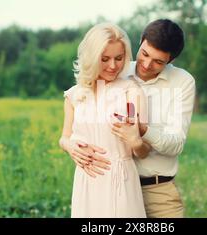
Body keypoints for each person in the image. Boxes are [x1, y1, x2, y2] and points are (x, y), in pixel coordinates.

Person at [78, 19, 196, 218]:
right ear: (140, 41)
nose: (147, 64)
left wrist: (141, 129)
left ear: (171, 60)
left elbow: (176, 144)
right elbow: (82, 121)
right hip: (109, 188)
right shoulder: (116, 69)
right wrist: (70, 145)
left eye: (158, 62)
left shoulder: (182, 82)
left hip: (157, 193)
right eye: (145, 54)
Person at [59, 22, 151, 218]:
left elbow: (143, 152)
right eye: (105, 58)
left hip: (121, 181)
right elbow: (64, 138)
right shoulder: (74, 95)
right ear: (91, 58)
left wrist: (135, 142)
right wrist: (70, 147)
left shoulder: (131, 91)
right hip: (86, 181)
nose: (113, 66)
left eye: (119, 58)